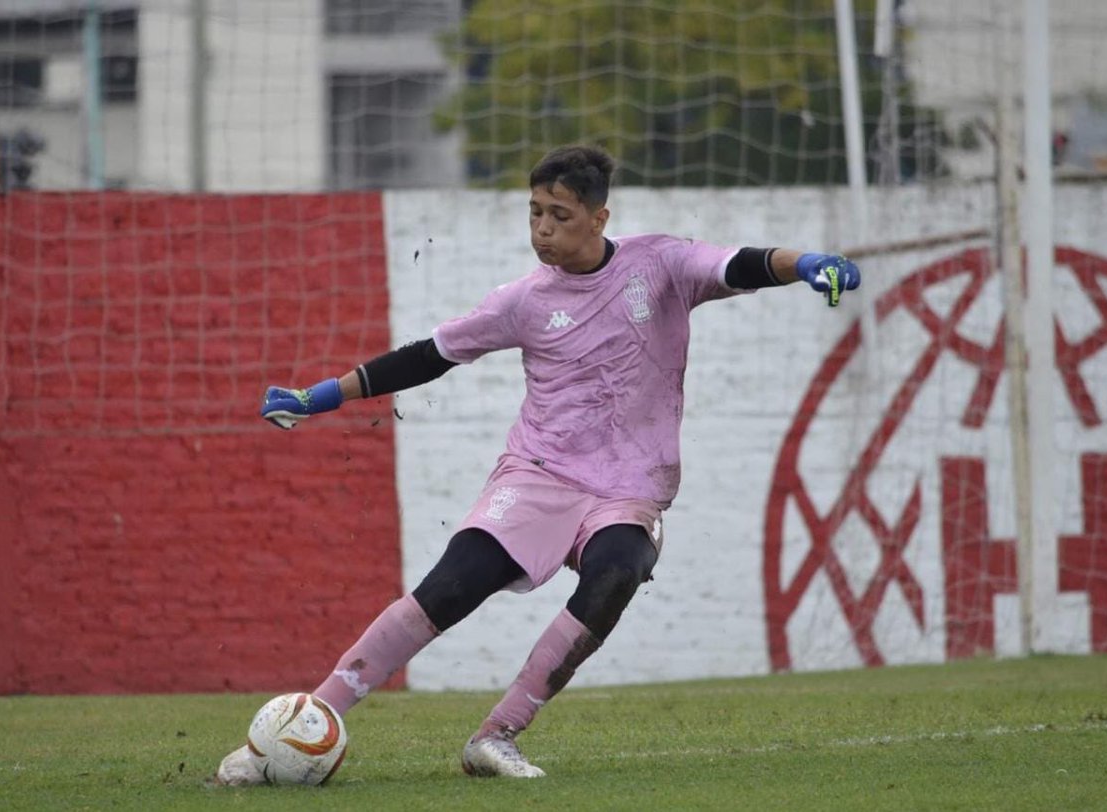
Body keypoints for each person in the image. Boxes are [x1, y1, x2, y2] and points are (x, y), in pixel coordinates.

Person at [216, 144, 860, 784]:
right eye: (534, 214)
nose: (542, 230)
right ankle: (308, 718)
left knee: (620, 569)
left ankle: (495, 738)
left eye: (558, 215)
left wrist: (808, 264)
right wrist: (318, 396)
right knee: (451, 588)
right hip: (539, 475)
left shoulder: (660, 265)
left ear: (598, 219)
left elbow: (741, 263)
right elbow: (427, 355)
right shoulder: (522, 301)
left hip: (629, 488)